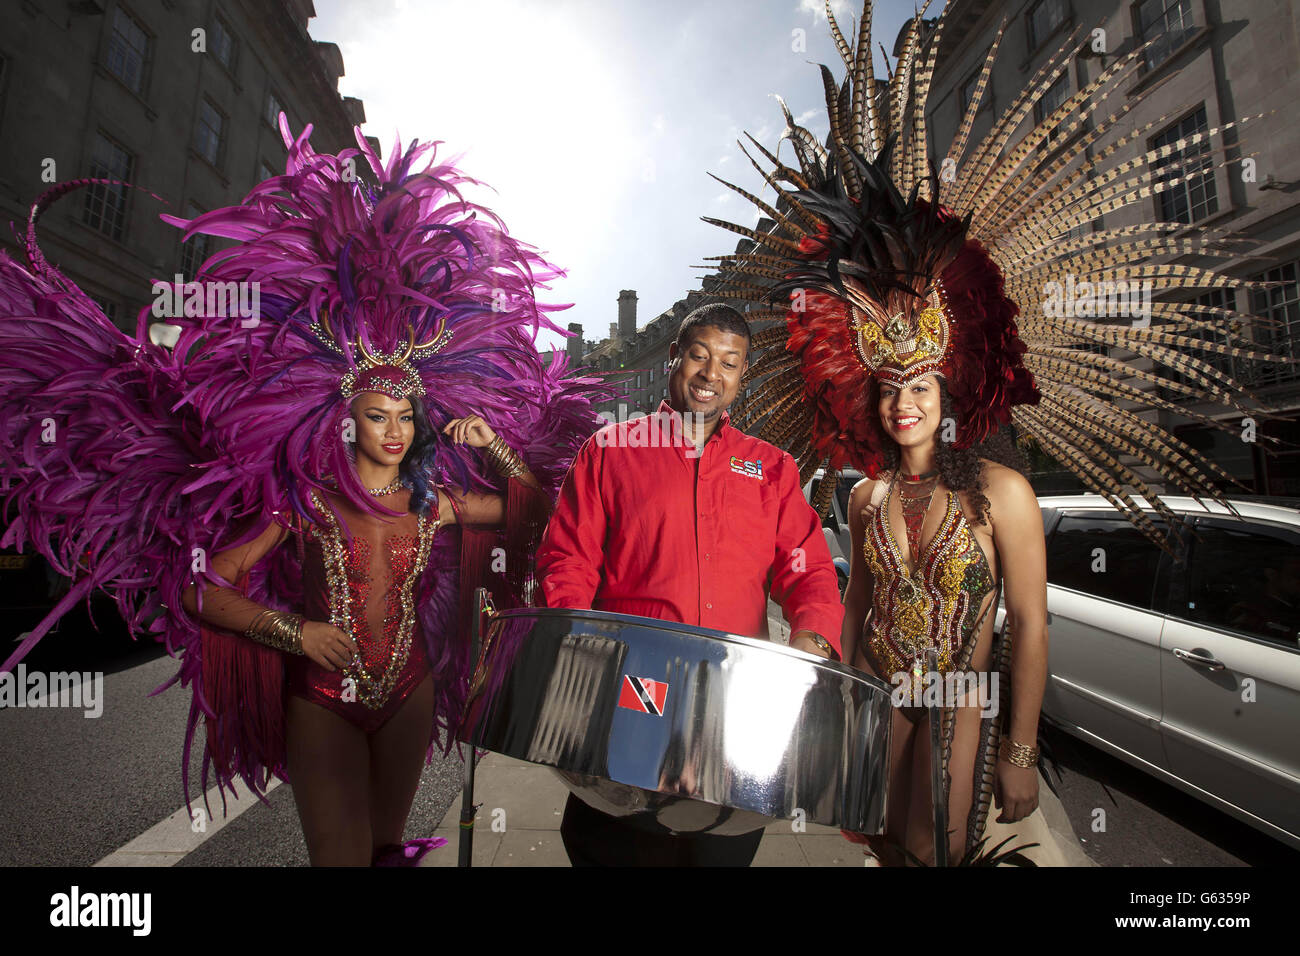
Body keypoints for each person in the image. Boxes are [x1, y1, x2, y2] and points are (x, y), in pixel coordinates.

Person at [697, 0, 1280, 864]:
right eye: (889, 385)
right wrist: (844, 709)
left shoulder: (1003, 493)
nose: (905, 402)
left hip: (964, 697)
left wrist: (1019, 749)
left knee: (940, 849)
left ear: (951, 384)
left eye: (920, 385)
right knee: (883, 848)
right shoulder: (866, 495)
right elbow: (857, 605)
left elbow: (1033, 629)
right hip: (880, 696)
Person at [0, 119, 605, 865]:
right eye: (376, 415)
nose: (393, 429)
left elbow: (534, 517)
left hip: (409, 689)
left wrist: (496, 448)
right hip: (323, 695)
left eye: (405, 416)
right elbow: (202, 589)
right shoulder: (311, 501)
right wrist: (297, 634)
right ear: (346, 419)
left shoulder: (432, 504)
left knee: (387, 853)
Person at [536, 302, 845, 867]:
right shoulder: (609, 451)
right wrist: (578, 648)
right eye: (700, 355)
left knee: (717, 855)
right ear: (677, 358)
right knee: (615, 850)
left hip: (731, 718)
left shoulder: (771, 468)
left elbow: (811, 572)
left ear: (741, 375)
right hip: (627, 703)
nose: (712, 374)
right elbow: (568, 561)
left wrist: (812, 642)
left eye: (729, 362)